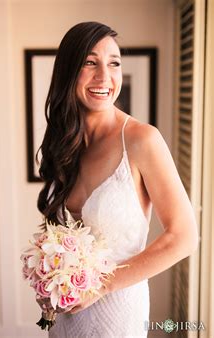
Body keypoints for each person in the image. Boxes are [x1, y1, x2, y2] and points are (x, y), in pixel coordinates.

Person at [36, 21, 198, 337]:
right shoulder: (66, 142)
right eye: (90, 63)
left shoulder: (141, 140)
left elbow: (184, 237)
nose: (104, 77)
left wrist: (100, 285)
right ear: (69, 71)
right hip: (67, 315)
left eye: (114, 64)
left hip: (118, 311)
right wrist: (49, 278)